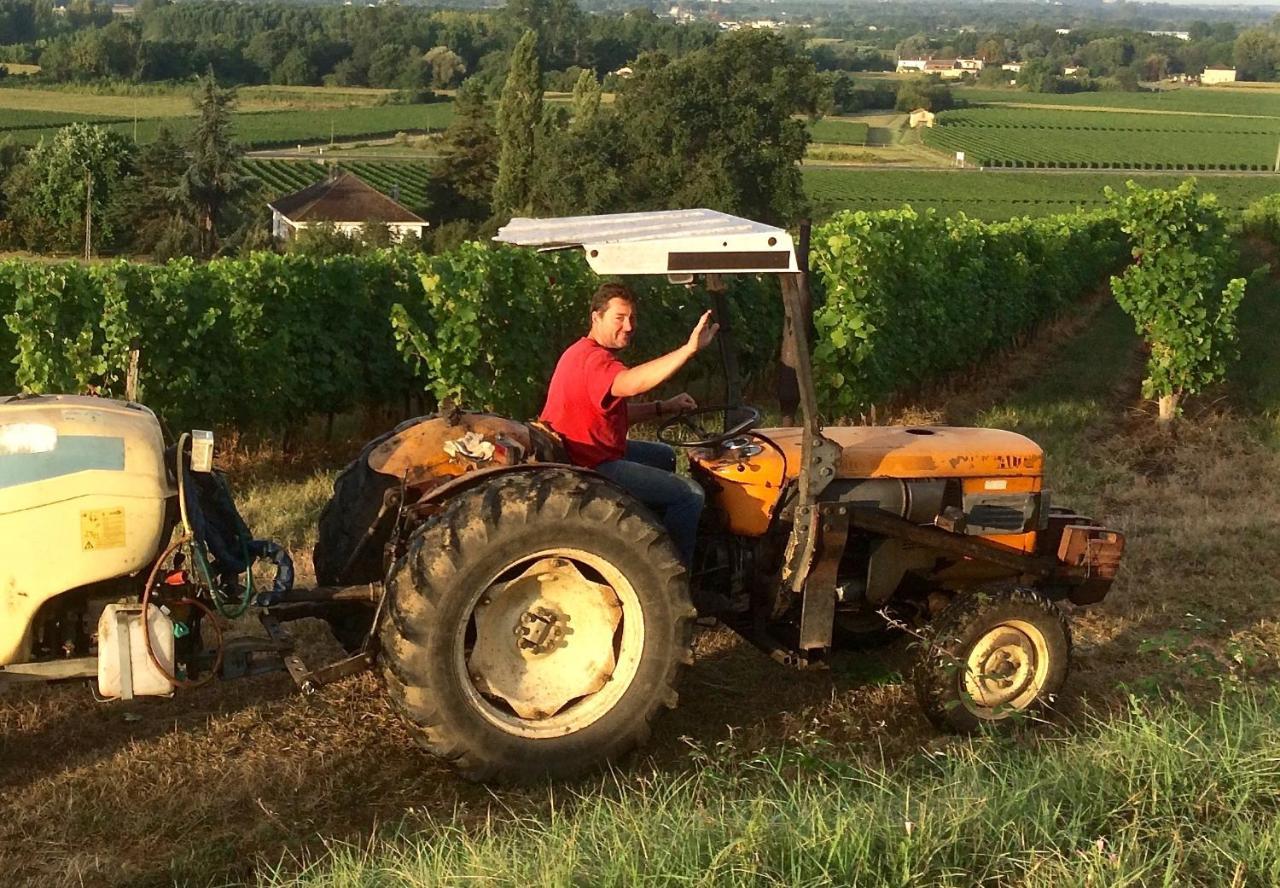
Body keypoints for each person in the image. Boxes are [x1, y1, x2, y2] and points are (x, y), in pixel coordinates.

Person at [540, 282, 719, 565]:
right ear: (596, 317)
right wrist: (688, 350)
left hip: (585, 451)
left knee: (665, 455)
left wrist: (664, 407)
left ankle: (652, 532)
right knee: (691, 495)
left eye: (632, 318)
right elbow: (630, 383)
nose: (628, 326)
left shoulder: (579, 352)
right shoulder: (594, 360)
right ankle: (675, 572)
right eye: (619, 318)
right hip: (590, 465)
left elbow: (613, 410)